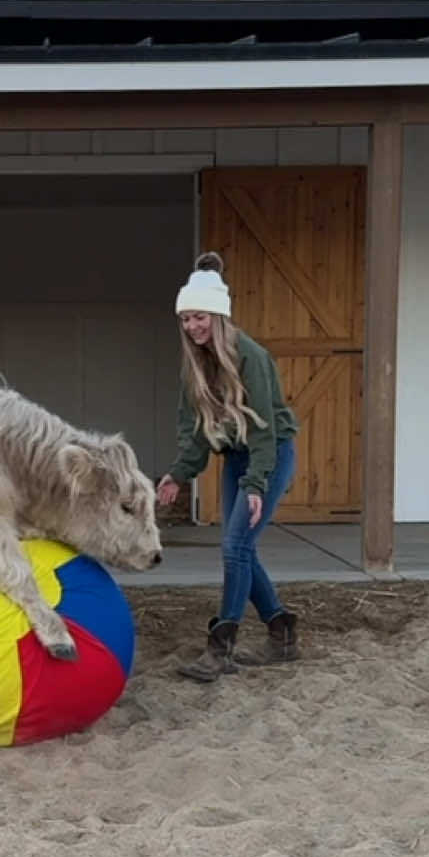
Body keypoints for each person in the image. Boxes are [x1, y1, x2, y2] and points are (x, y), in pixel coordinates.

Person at [156, 251, 301, 681]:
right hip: (236, 457)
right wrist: (179, 473)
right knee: (239, 547)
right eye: (185, 319)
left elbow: (262, 430)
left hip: (269, 452)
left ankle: (220, 650)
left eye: (199, 317)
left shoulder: (250, 358)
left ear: (217, 316)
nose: (191, 327)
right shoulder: (196, 367)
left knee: (235, 547)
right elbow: (195, 432)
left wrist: (256, 484)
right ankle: (282, 633)